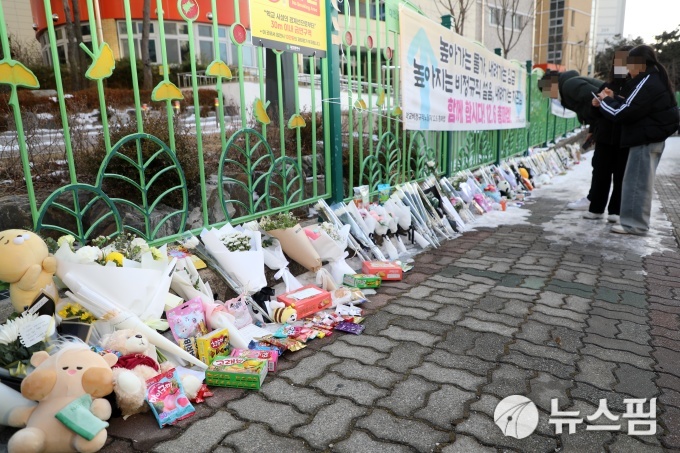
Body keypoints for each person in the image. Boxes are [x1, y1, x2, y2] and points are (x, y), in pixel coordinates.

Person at [596, 44, 679, 235]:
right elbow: (631, 106)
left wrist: (604, 101)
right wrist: (614, 98)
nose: (626, 70)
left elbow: (621, 113)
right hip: (649, 138)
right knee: (637, 181)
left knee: (637, 183)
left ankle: (635, 224)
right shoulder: (653, 79)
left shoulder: (647, 83)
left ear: (639, 64)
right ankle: (632, 222)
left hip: (645, 139)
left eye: (629, 65)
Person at [583, 48, 632, 223]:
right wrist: (595, 105)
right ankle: (596, 208)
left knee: (621, 176)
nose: (620, 66)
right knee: (600, 173)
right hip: (604, 138)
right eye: (617, 62)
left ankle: (615, 211)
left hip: (624, 139)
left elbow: (630, 108)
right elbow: (595, 116)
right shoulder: (605, 85)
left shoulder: (634, 86)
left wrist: (614, 98)